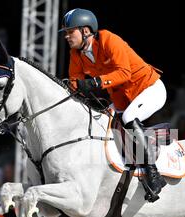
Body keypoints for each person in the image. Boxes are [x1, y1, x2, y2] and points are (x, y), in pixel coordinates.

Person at [60, 8, 167, 201]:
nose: (67, 36)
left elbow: (124, 73)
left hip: (149, 89)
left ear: (85, 31)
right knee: (104, 126)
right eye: (66, 33)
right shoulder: (76, 54)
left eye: (70, 31)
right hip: (122, 100)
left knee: (128, 118)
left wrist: (94, 83)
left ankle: (153, 173)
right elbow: (75, 83)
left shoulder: (109, 40)